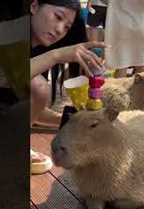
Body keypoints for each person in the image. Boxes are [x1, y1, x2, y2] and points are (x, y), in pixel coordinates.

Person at [30, 0, 105, 174]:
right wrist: (56, 56)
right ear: (34, 6)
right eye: (58, 17)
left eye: (66, 27)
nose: (59, 30)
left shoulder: (40, 47)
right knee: (38, 87)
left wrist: (73, 121)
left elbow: (33, 108)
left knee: (38, 89)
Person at [104, 0, 144, 78]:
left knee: (122, 65)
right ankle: (141, 89)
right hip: (139, 25)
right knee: (141, 64)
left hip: (119, 25)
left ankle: (120, 90)